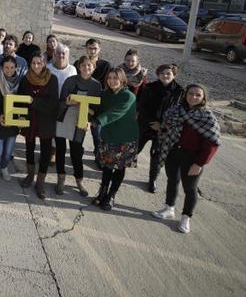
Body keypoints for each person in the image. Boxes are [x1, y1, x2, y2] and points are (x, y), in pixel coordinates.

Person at [152, 84, 221, 234]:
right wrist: (162, 128)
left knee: (190, 188)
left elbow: (211, 143)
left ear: (203, 98)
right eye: (190, 94)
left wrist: (200, 163)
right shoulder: (175, 111)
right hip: (172, 153)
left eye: (198, 95)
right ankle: (169, 208)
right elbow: (168, 128)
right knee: (172, 181)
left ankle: (186, 217)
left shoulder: (207, 117)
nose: (193, 97)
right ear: (185, 95)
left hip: (192, 158)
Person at [90, 68, 139, 211]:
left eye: (115, 78)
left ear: (122, 80)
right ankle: (103, 192)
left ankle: (111, 196)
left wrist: (96, 121)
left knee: (119, 168)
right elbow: (100, 111)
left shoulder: (128, 96)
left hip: (125, 137)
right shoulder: (105, 94)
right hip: (109, 135)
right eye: (110, 78)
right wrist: (83, 107)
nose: (112, 81)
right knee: (107, 167)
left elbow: (115, 113)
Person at [55, 56, 103, 197]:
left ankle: (79, 180)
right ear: (79, 66)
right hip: (64, 119)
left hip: (80, 121)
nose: (86, 68)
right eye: (83, 65)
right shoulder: (70, 81)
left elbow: (97, 109)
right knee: (60, 150)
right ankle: (61, 178)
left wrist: (89, 114)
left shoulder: (96, 85)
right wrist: (67, 103)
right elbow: (60, 102)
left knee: (76, 152)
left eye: (89, 65)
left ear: (94, 68)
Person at [17, 55, 60, 197]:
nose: (36, 66)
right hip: (30, 119)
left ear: (44, 64)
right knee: (29, 147)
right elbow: (21, 99)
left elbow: (53, 102)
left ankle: (40, 181)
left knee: (46, 150)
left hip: (46, 119)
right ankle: (30, 176)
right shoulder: (25, 79)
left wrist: (34, 101)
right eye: (33, 63)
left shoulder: (52, 79)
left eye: (39, 63)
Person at [138, 64, 184, 193]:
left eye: (168, 73)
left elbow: (179, 113)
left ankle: (153, 179)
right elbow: (141, 107)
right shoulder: (150, 88)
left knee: (157, 156)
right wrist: (151, 122)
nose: (165, 76)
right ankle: (120, 168)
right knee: (134, 148)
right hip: (146, 126)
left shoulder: (179, 92)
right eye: (163, 73)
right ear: (158, 74)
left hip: (164, 129)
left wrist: (162, 125)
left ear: (174, 75)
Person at [0, 55, 24, 188]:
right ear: (2, 67)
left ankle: (4, 168)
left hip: (12, 123)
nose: (9, 70)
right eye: (6, 67)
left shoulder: (20, 82)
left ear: (16, 68)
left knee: (8, 152)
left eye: (12, 67)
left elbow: (22, 103)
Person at [78, 38, 112, 165]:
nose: (92, 51)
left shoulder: (105, 65)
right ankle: (77, 153)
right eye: (90, 48)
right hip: (82, 103)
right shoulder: (79, 62)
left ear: (99, 49)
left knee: (97, 134)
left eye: (95, 48)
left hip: (98, 105)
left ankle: (99, 157)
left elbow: (107, 85)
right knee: (79, 132)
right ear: (86, 49)